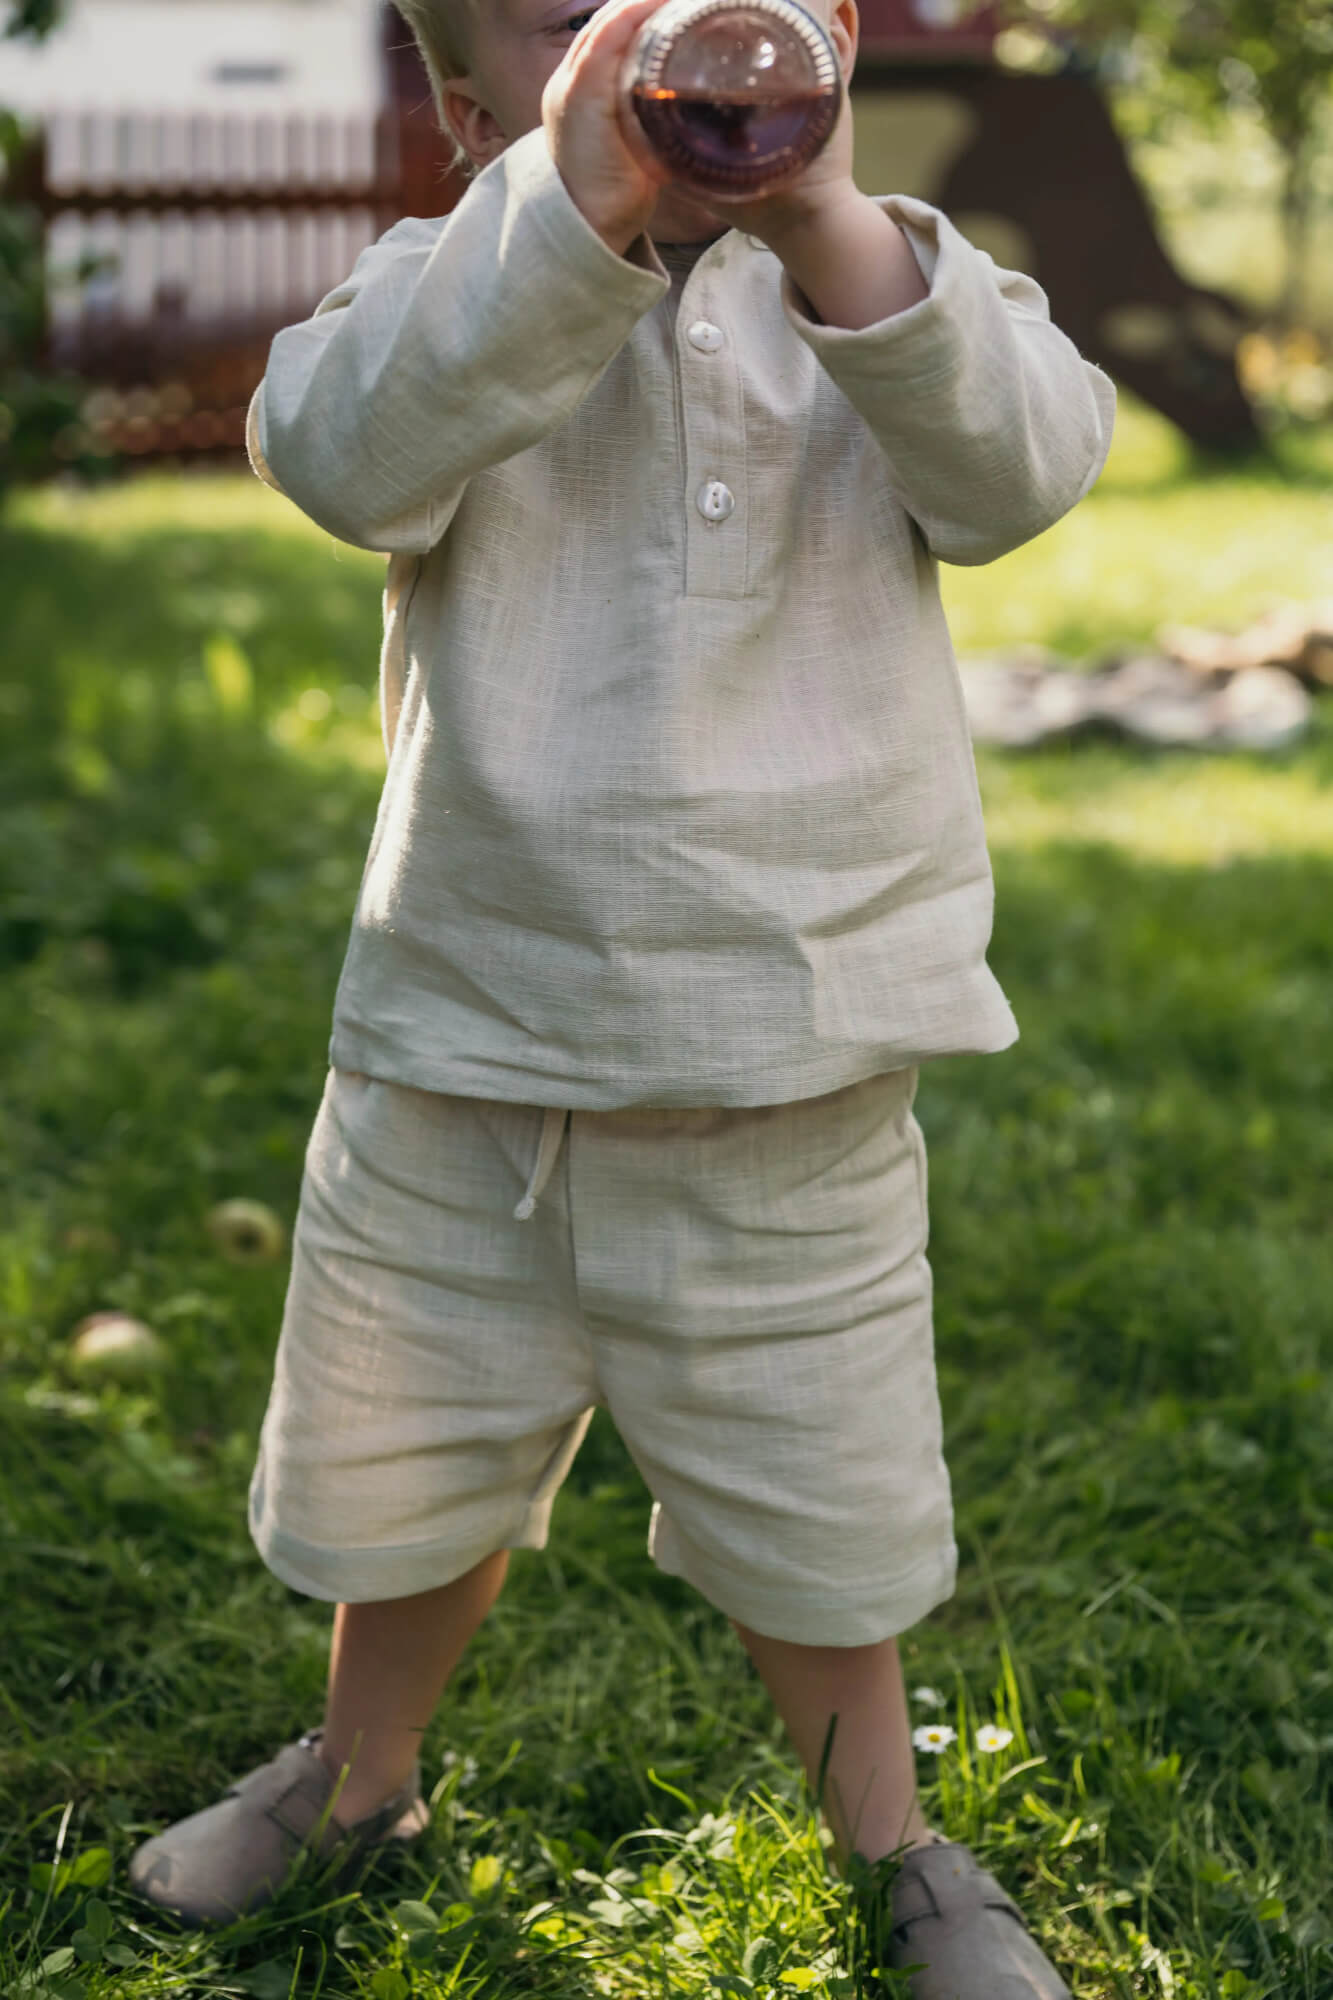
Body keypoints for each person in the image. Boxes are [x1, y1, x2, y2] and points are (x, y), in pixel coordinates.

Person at [127, 1, 1114, 1990]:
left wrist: (840, 227)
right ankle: (361, 1770)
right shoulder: (448, 291)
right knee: (402, 1470)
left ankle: (894, 1841)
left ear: (820, 38)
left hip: (791, 1057)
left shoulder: (899, 286)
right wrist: (566, 218)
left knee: (819, 1501)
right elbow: (339, 451)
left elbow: (1024, 470)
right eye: (570, 22)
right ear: (473, 98)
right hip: (467, 1043)